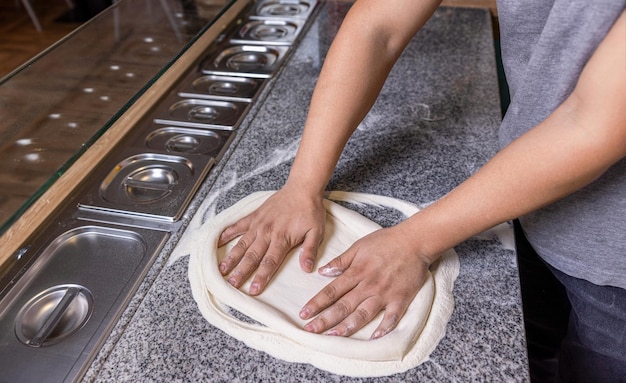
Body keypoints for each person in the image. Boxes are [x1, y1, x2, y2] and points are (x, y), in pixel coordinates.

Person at [216, 0, 626, 381]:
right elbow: (379, 24)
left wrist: (414, 241)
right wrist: (302, 184)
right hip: (527, 193)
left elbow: (592, 124)